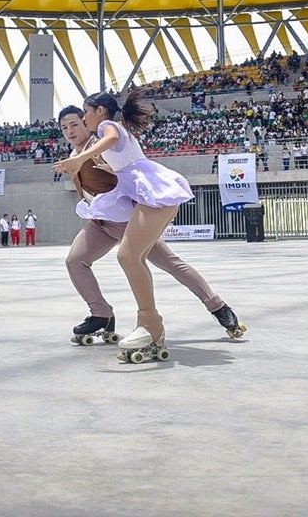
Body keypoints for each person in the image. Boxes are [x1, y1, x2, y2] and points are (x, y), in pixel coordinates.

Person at [56, 105, 244, 348]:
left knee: (171, 263)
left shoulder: (100, 144)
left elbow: (128, 169)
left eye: (74, 124)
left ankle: (218, 307)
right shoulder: (73, 152)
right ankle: (101, 314)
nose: (69, 131)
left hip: (128, 223)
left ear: (85, 122)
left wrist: (155, 212)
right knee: (75, 261)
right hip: (100, 223)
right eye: (64, 127)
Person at [52, 90, 202, 361]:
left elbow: (110, 140)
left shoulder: (104, 133)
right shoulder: (90, 147)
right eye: (65, 127)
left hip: (136, 210)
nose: (74, 127)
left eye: (79, 119)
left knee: (160, 261)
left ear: (97, 112)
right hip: (113, 216)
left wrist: (81, 159)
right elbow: (122, 168)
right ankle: (111, 316)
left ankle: (208, 308)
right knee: (86, 259)